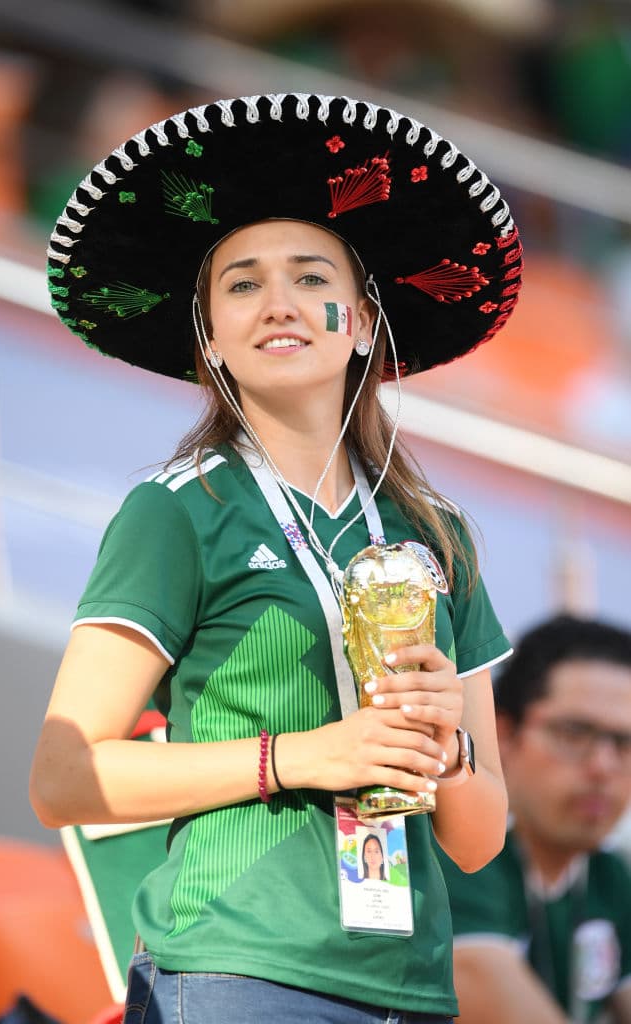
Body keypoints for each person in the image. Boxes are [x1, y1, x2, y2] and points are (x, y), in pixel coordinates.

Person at [30, 93, 523, 1024]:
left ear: (364, 322)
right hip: (231, 971)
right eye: (243, 285)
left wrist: (444, 748)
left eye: (309, 276)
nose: (280, 303)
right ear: (210, 338)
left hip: (413, 993)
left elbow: (479, 838)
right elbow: (64, 780)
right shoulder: (178, 510)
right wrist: (308, 756)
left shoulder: (438, 535)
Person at [436, 614, 631, 1024]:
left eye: (624, 743)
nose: (603, 766)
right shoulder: (459, 855)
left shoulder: (609, 877)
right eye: (575, 733)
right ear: (503, 735)